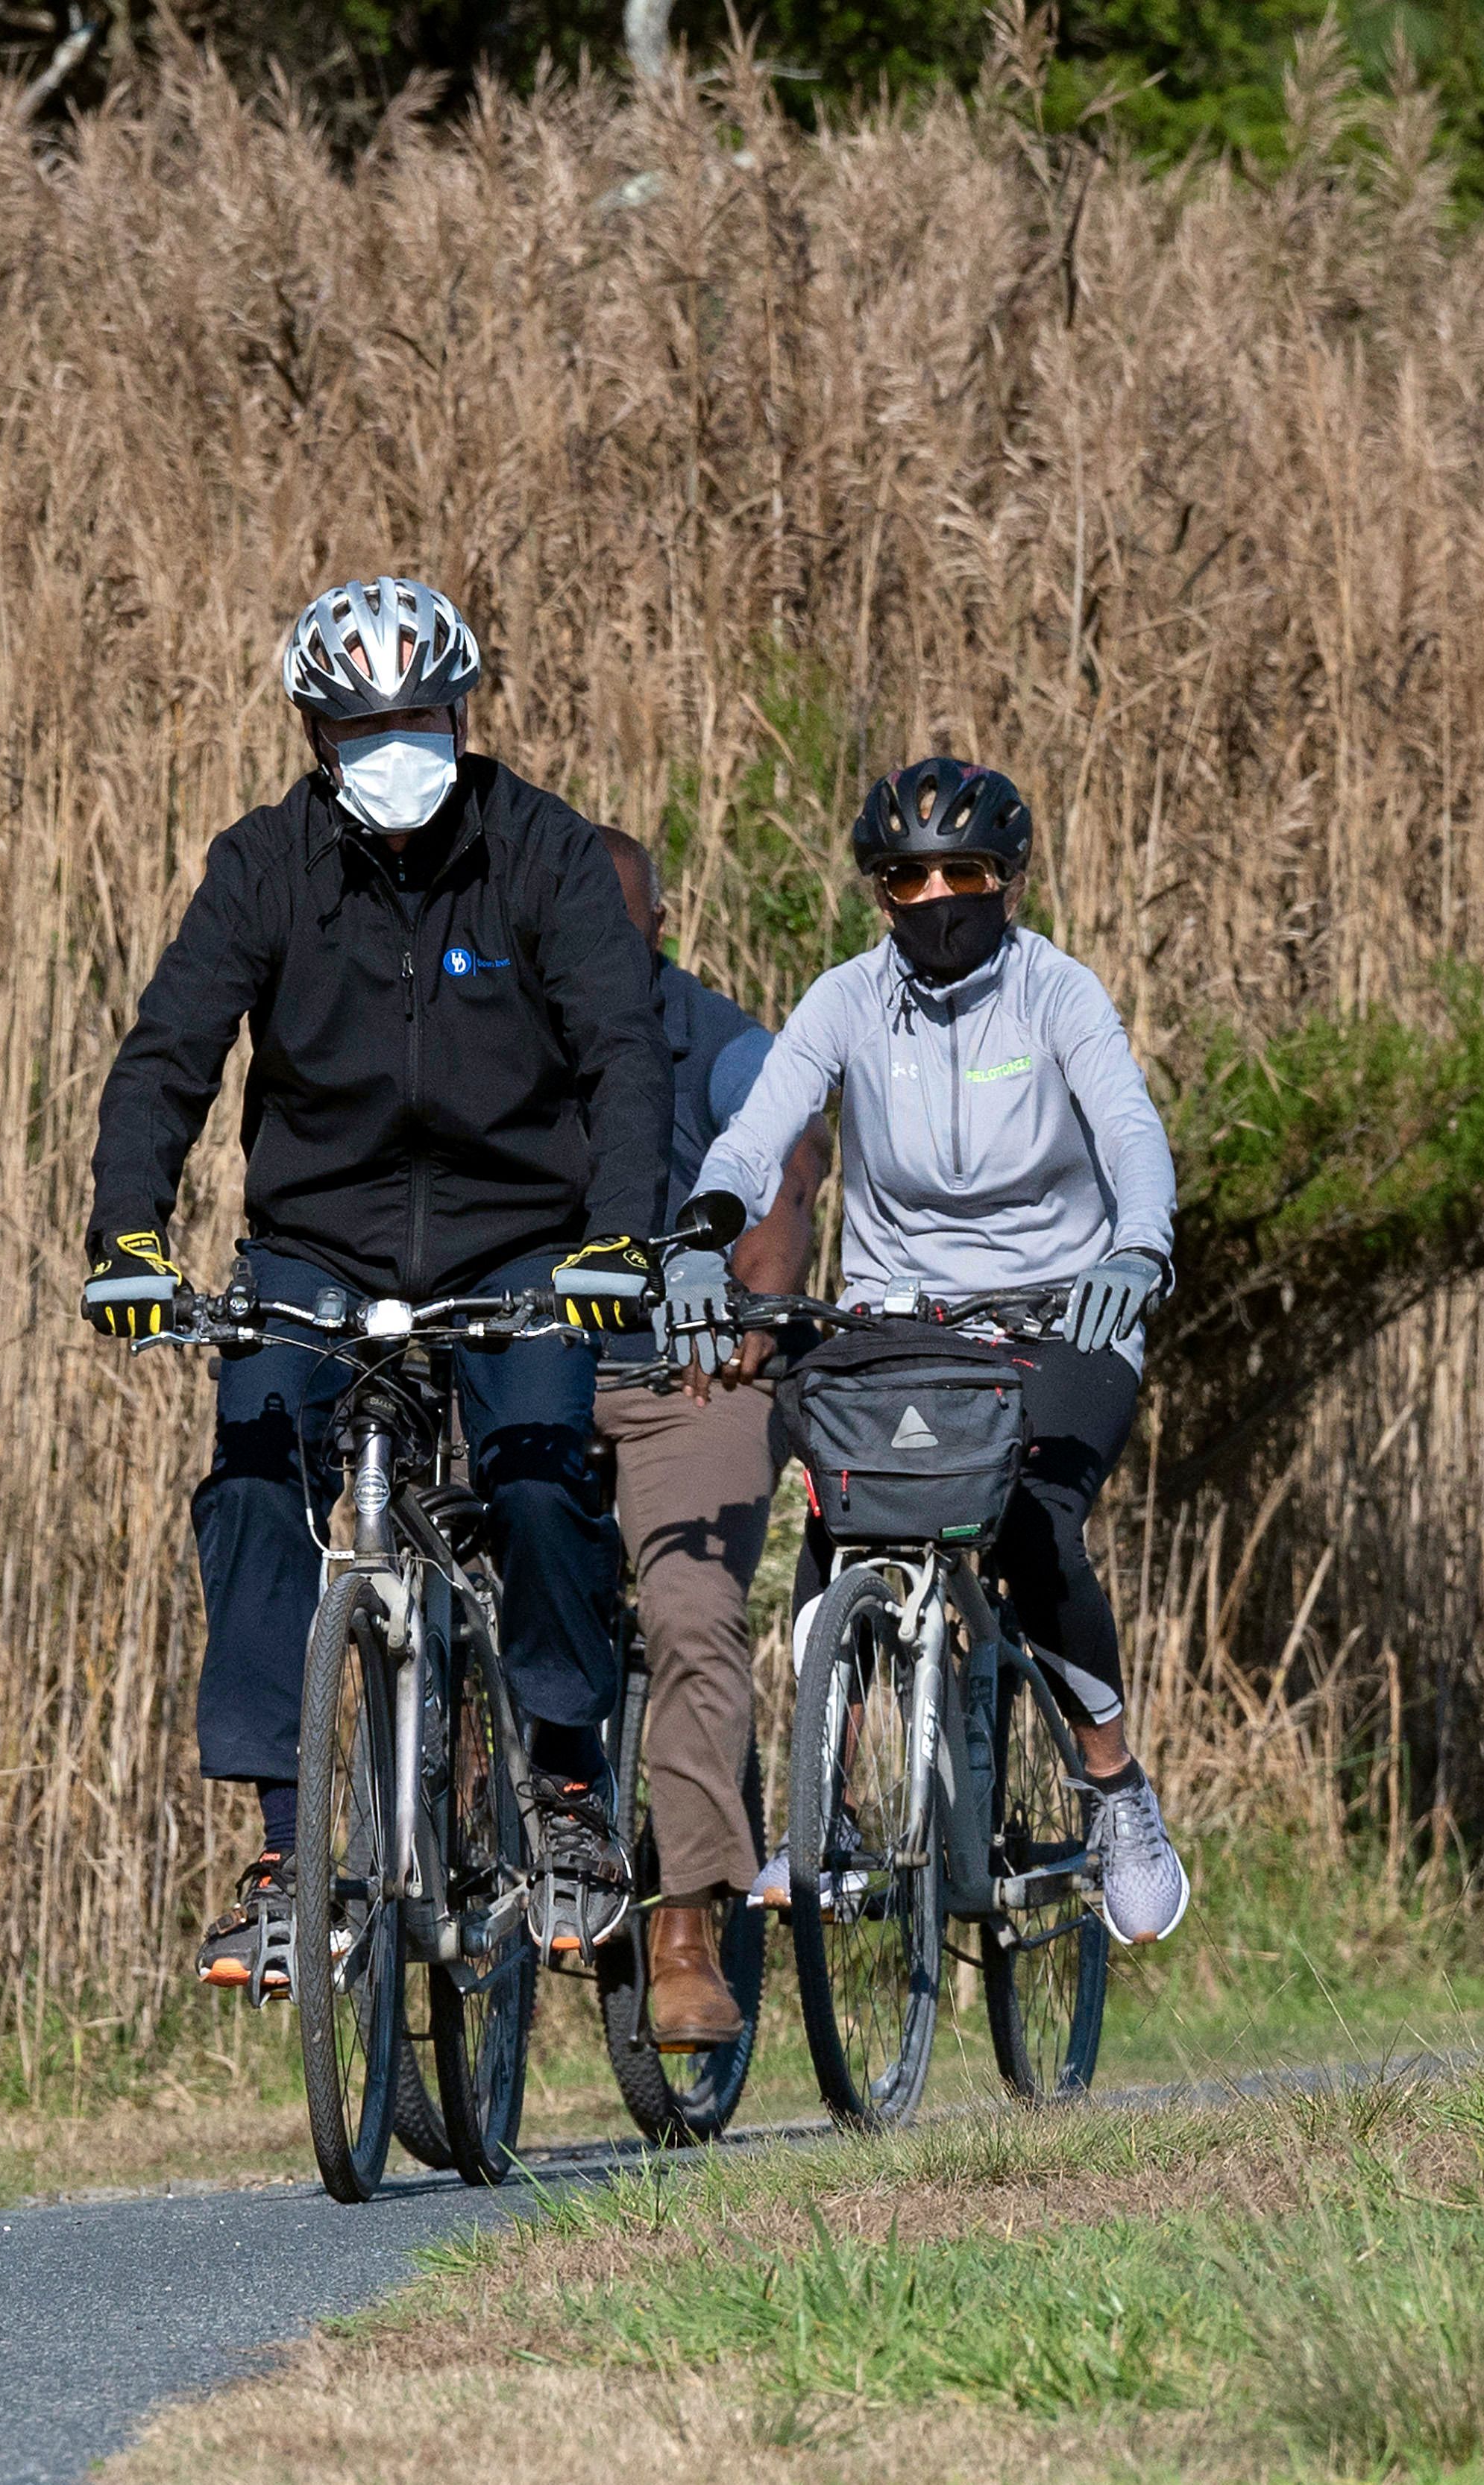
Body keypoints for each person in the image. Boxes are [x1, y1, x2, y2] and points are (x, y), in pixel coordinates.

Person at [84, 577, 668, 1991]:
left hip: (519, 1239)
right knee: (246, 1475)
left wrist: (616, 1237)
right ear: (312, 730)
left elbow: (623, 1053)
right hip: (317, 1246)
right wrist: (127, 1237)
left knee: (537, 1481)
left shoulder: (540, 850)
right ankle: (291, 1851)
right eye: (359, 725)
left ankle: (571, 1793)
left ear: (461, 715)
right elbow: (171, 1051)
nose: (391, 745)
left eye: (416, 717)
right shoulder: (264, 863)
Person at [663, 757, 1194, 1944]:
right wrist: (703, 1234)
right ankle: (829, 1817)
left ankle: (1115, 1792)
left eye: (965, 873)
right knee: (838, 1513)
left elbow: (1130, 1130)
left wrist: (1136, 1247)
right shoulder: (848, 999)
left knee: (1035, 1524)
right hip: (898, 1316)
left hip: (1066, 1309)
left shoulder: (1059, 994)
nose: (937, 896)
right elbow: (760, 1133)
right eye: (908, 877)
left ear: (1007, 881)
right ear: (879, 891)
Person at [586, 826, 829, 2051]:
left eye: (614, 929)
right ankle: (489, 1856)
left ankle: (685, 1927)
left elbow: (790, 1134)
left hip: (690, 1375)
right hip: (531, 1373)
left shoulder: (711, 1033)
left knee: (689, 1613)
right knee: (464, 1580)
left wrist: (768, 1264)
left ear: (659, 933)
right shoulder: (493, 1039)